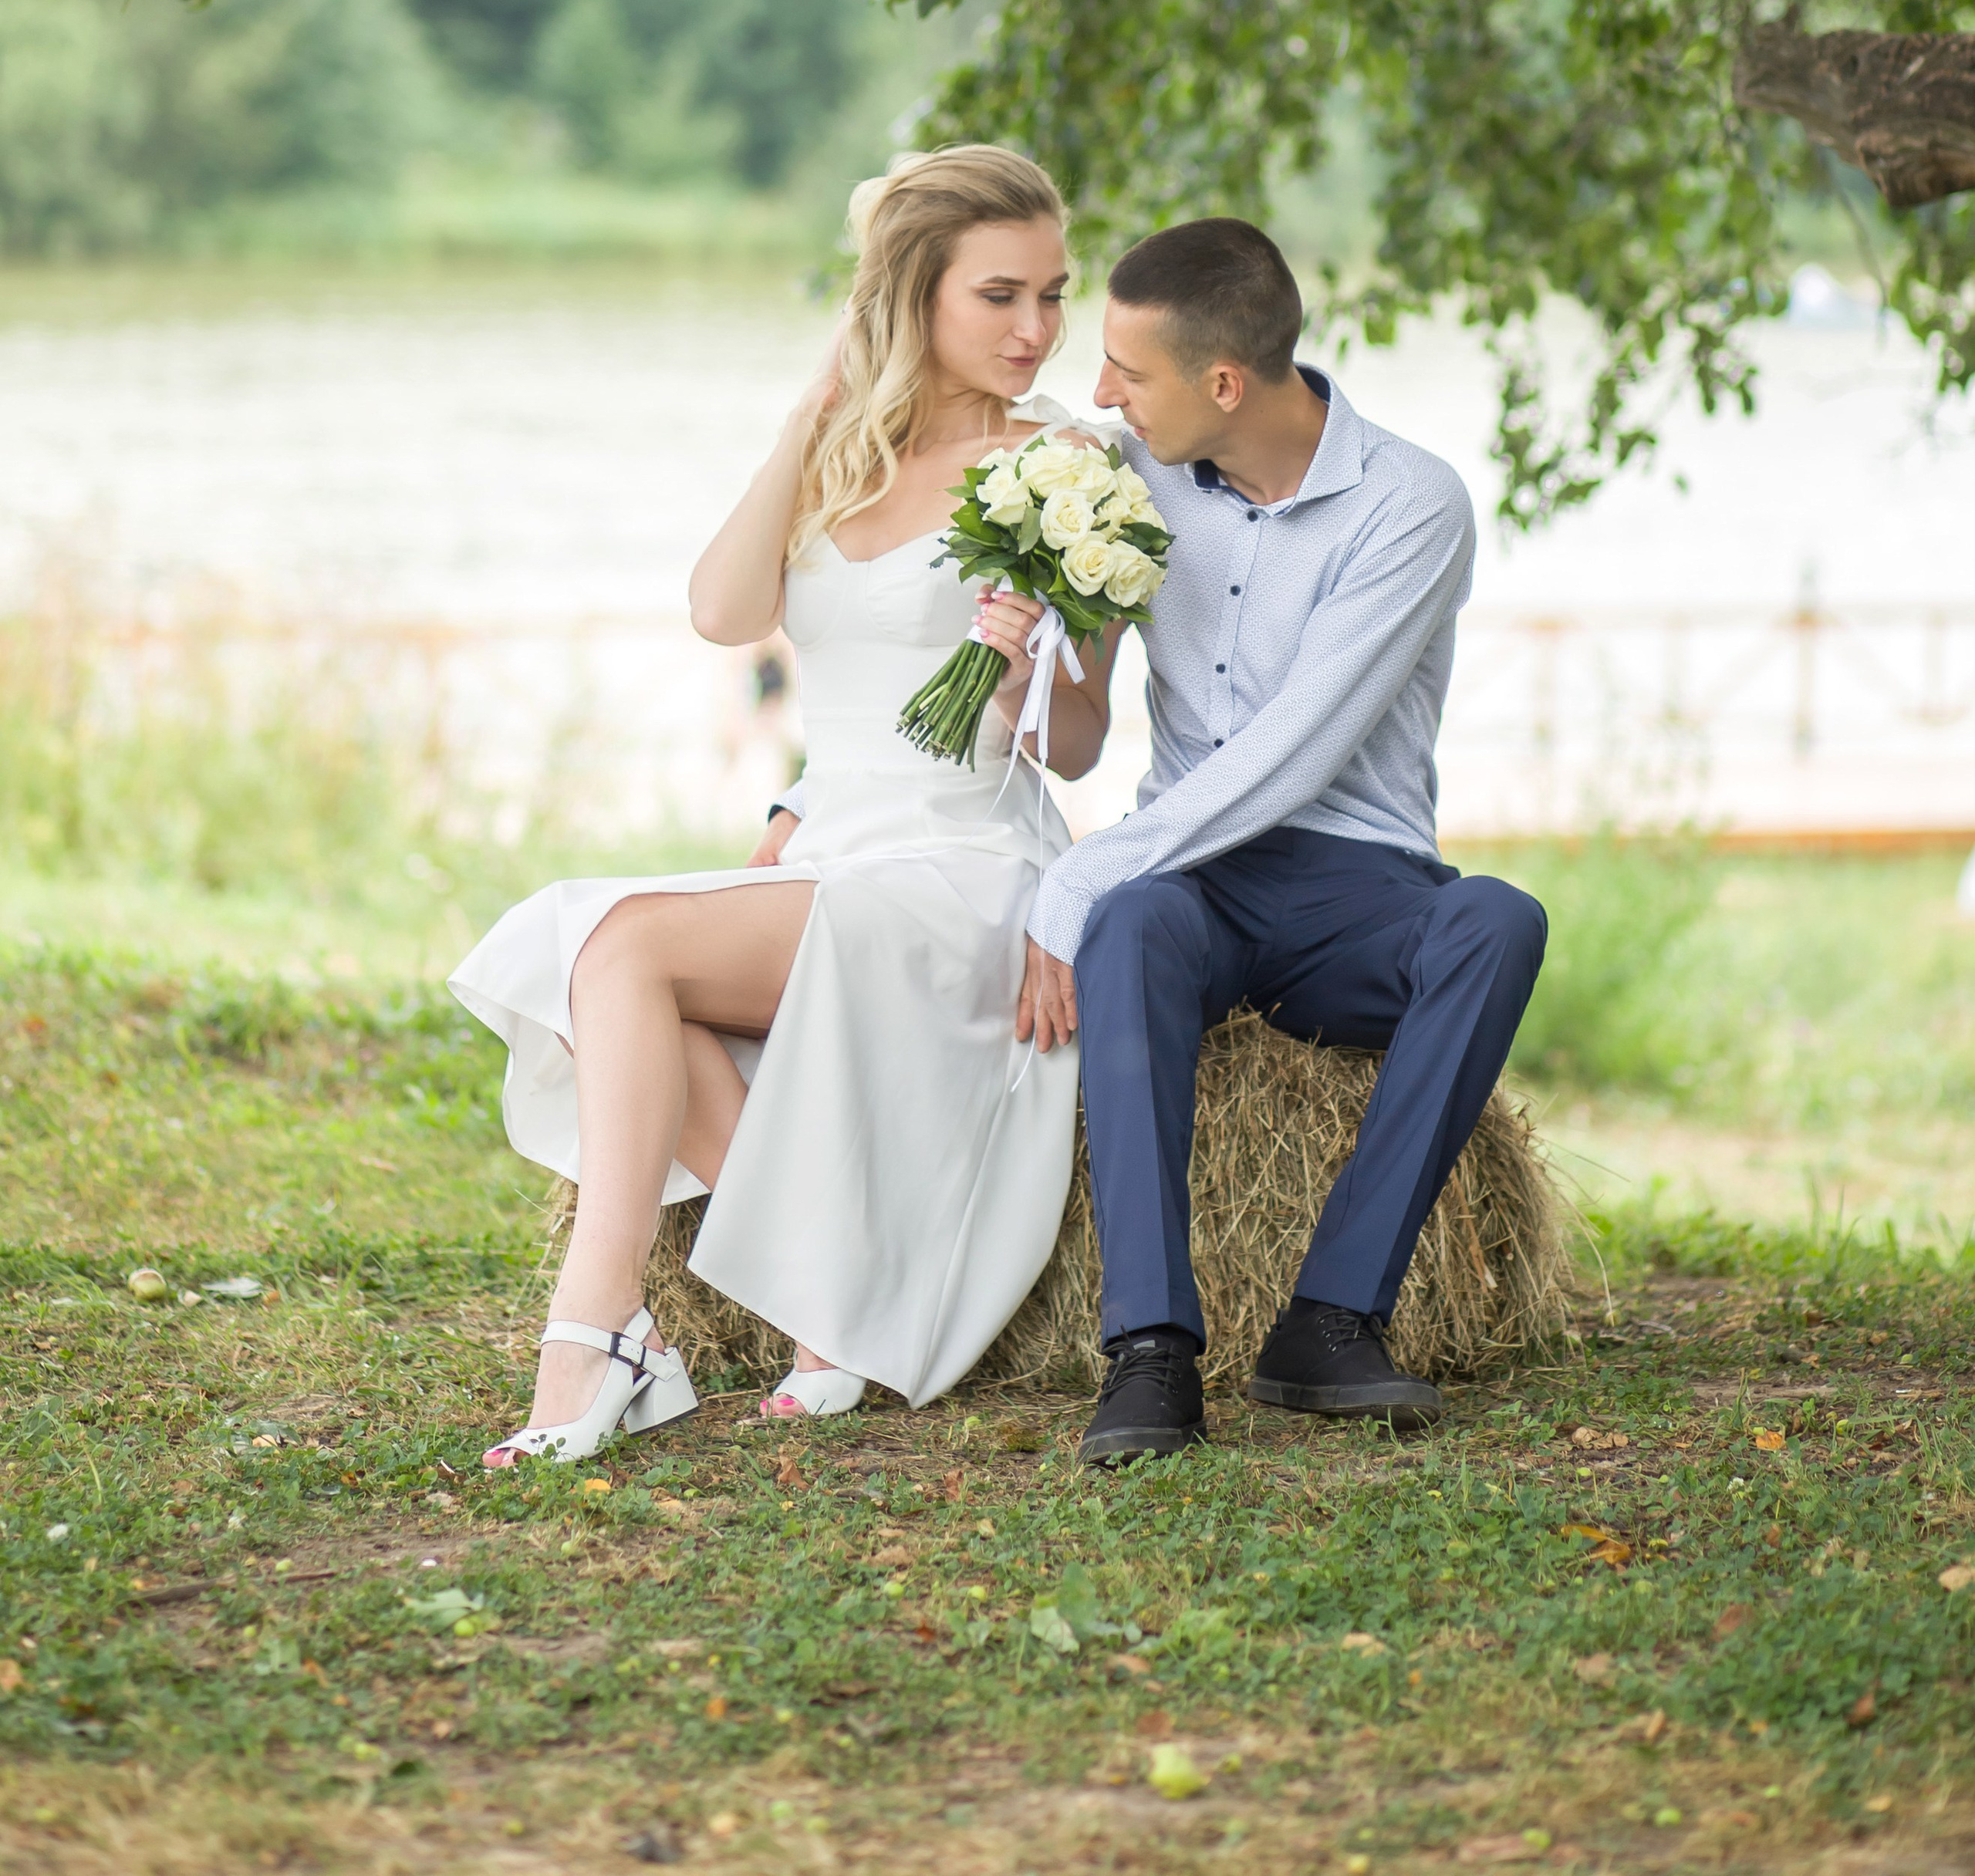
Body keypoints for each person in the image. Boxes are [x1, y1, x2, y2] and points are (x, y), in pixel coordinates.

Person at [778, 214, 1547, 1466]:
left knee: (1500, 921)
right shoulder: (1116, 476)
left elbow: (1297, 749)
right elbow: (996, 688)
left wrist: (1077, 874)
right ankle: (1149, 1351)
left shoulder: (1411, 504)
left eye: (1128, 370)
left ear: (1224, 384)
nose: (1098, 391)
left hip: (1362, 889)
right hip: (1187, 883)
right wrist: (826, 784)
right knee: (1131, 925)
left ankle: (1331, 1322)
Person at [449, 146, 1117, 1465]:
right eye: (1000, 295)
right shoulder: (840, 452)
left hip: (968, 861)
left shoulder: (1064, 463)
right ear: (912, 294)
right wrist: (814, 407)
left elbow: (1084, 744)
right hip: (836, 846)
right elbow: (722, 609)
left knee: (620, 943)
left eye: (1052, 293)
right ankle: (824, 1309)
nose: (1037, 329)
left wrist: (1024, 667)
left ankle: (594, 1335)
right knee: (610, 958)